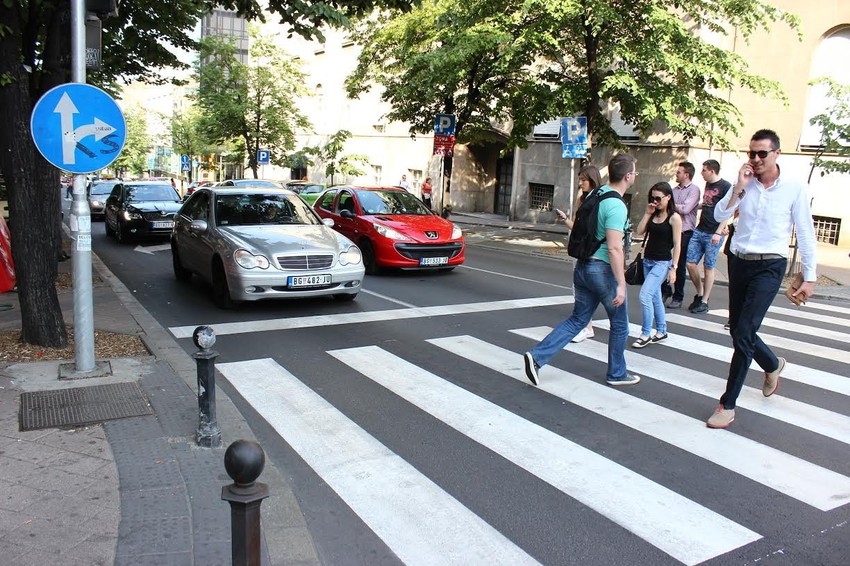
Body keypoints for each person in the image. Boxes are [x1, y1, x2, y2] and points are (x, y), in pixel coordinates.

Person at [707, 129, 817, 429]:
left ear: (777, 154)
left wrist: (809, 277)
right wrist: (738, 188)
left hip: (770, 266)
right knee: (738, 330)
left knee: (744, 332)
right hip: (739, 262)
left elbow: (805, 232)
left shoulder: (794, 188)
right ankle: (772, 364)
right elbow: (718, 216)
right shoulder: (745, 184)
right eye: (751, 153)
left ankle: (727, 404)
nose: (755, 159)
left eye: (762, 153)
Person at [523, 153, 640, 387]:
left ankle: (536, 357)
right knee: (620, 324)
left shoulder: (597, 194)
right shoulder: (616, 205)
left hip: (583, 266)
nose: (635, 176)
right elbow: (614, 248)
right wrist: (621, 284)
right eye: (635, 172)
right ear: (628, 176)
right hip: (602, 270)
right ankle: (617, 373)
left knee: (577, 319)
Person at [631, 182, 681, 348]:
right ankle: (661, 331)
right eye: (652, 198)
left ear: (668, 197)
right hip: (648, 261)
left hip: (662, 263)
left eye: (658, 198)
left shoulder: (674, 217)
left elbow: (677, 244)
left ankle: (645, 334)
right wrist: (647, 213)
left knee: (645, 295)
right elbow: (639, 231)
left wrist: (674, 268)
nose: (655, 202)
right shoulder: (652, 213)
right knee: (655, 297)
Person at [559, 164, 603, 343]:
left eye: (584, 180)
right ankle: (587, 326)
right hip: (579, 250)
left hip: (593, 251)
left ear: (593, 180)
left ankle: (586, 326)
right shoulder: (581, 200)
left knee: (593, 290)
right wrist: (565, 219)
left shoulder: (600, 200)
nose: (581, 183)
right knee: (580, 289)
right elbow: (576, 227)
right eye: (580, 180)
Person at [685, 160, 732, 314]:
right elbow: (707, 204)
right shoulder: (708, 185)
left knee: (708, 266)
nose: (701, 173)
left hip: (713, 232)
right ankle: (700, 293)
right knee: (690, 263)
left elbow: (729, 210)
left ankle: (704, 301)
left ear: (712, 171)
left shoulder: (726, 186)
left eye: (704, 170)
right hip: (700, 229)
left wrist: (719, 231)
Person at [664, 162, 700, 308]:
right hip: (670, 229)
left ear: (686, 175)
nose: (676, 174)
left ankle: (678, 297)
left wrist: (671, 205)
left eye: (679, 172)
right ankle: (666, 290)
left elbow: (686, 209)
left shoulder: (694, 190)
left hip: (685, 231)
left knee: (679, 264)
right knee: (663, 260)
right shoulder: (673, 190)